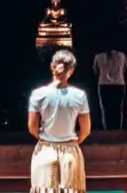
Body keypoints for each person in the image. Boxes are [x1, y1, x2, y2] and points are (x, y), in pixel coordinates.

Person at [28, 49, 91, 193]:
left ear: (52, 67)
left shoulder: (38, 94)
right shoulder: (79, 96)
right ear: (72, 70)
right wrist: (72, 141)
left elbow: (32, 127)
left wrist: (47, 139)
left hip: (45, 150)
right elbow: (86, 130)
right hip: (70, 152)